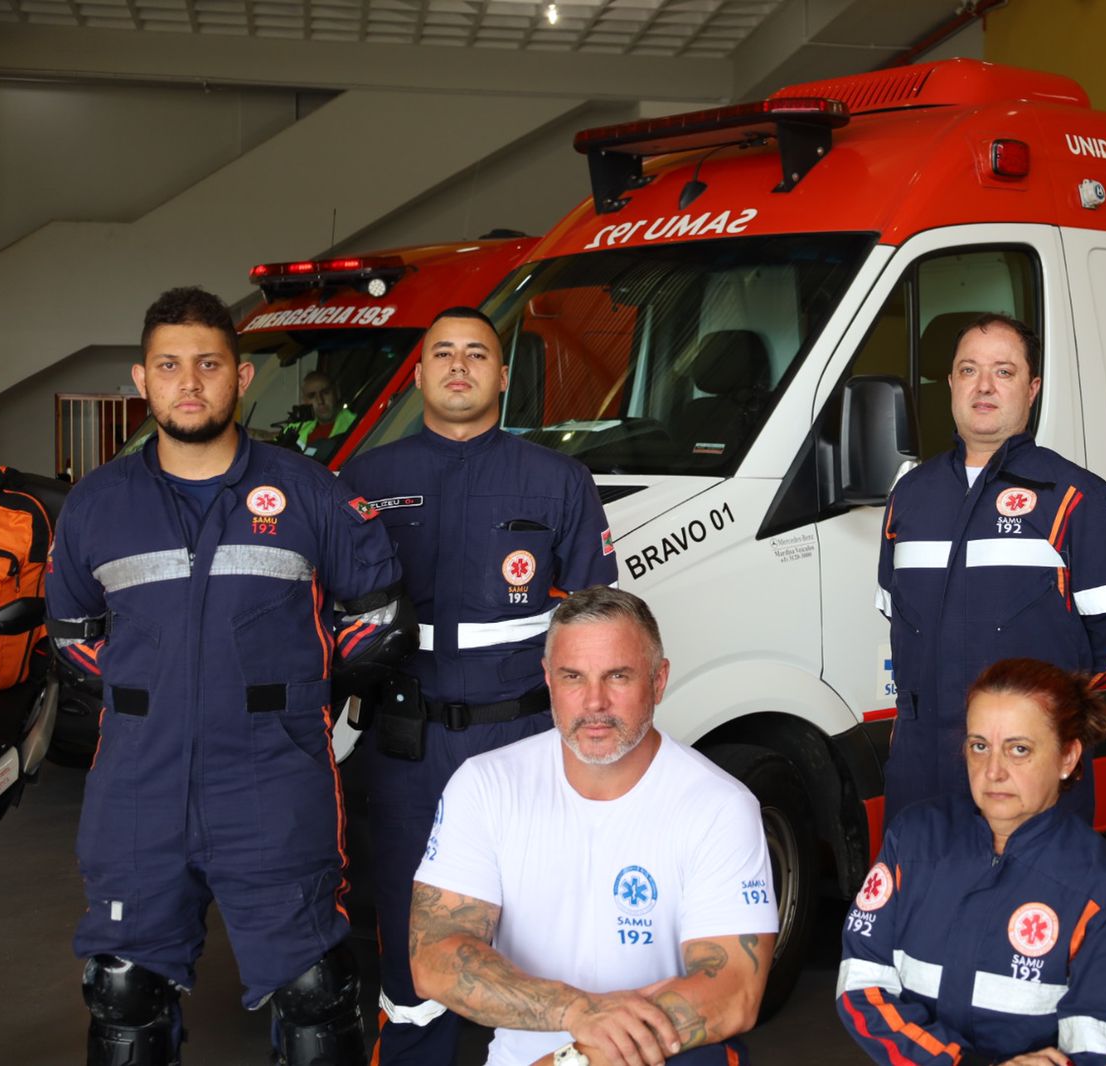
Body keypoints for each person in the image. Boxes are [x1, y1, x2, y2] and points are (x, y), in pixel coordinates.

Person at [45, 286, 416, 1065]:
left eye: (209, 364)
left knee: (316, 989)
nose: (190, 382)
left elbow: (378, 617)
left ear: (241, 379)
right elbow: (72, 633)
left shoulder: (310, 491)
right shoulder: (95, 506)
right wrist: (163, 692)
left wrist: (293, 693)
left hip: (273, 780)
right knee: (122, 990)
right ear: (141, 381)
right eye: (170, 366)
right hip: (139, 788)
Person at [342, 306, 618, 1065]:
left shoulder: (557, 480)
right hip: (405, 747)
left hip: (523, 743)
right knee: (411, 935)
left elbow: (596, 619)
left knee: (538, 927)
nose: (459, 366)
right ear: (422, 373)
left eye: (476, 354)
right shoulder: (365, 480)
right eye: (442, 354)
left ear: (503, 376)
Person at [408, 585, 778, 1066]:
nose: (595, 702)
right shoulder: (485, 785)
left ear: (659, 679)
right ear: (548, 678)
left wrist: (574, 1058)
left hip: (656, 1058)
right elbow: (434, 957)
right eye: (573, 677)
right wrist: (577, 1009)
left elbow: (732, 991)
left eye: (618, 676)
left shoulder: (719, 806)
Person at [876, 313, 1106, 826]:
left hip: (1029, 766)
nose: (983, 386)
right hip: (920, 770)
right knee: (924, 901)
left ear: (1032, 387)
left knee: (1031, 902)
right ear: (951, 384)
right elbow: (900, 621)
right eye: (968, 370)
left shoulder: (1075, 497)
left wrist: (1043, 716)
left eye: (1003, 371)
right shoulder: (910, 498)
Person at [837, 658, 1106, 1066]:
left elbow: (1104, 1043)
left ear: (1067, 757)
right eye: (979, 746)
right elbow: (862, 985)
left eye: (1019, 750)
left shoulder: (1102, 888)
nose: (993, 771)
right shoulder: (913, 841)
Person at [291, 370, 357, 452]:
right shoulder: (299, 427)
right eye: (312, 396)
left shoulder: (356, 423)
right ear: (305, 400)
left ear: (337, 392)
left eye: (325, 392)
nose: (320, 401)